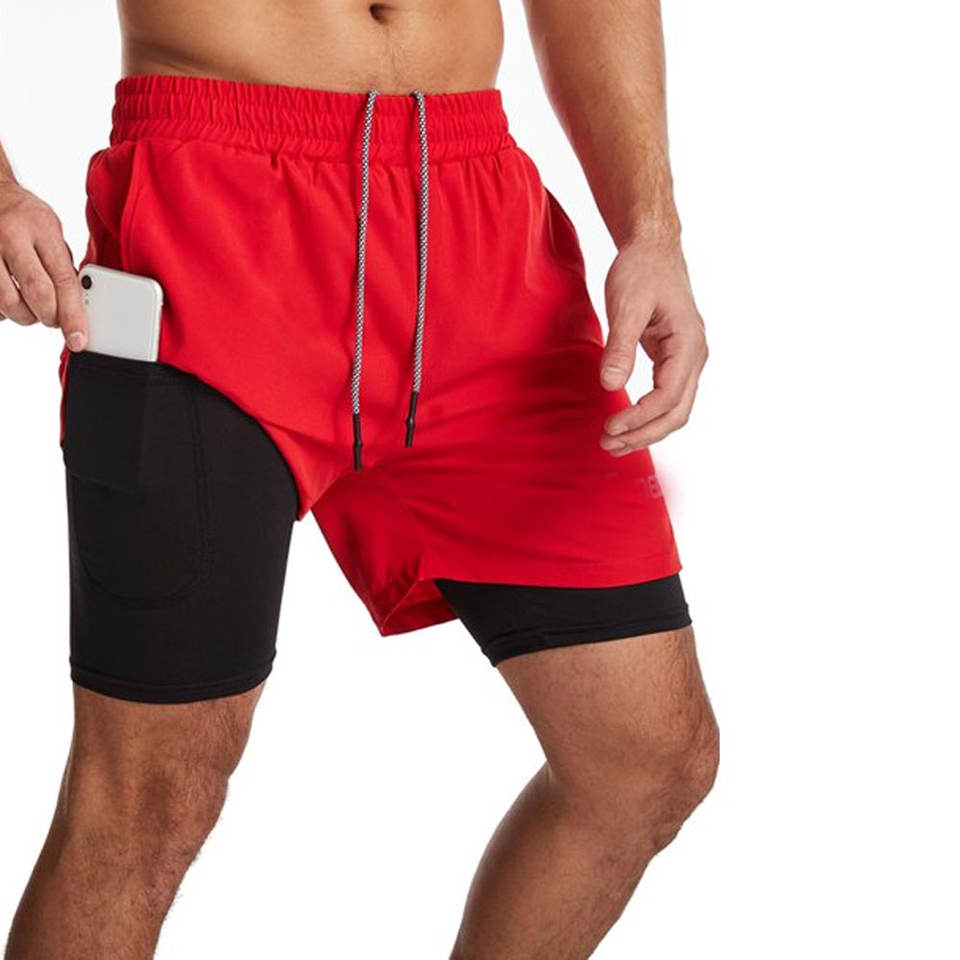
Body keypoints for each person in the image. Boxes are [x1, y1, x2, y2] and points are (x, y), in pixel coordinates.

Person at [0, 1, 716, 957]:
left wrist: (651, 230)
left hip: (480, 238)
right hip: (210, 225)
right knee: (147, 801)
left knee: (647, 759)